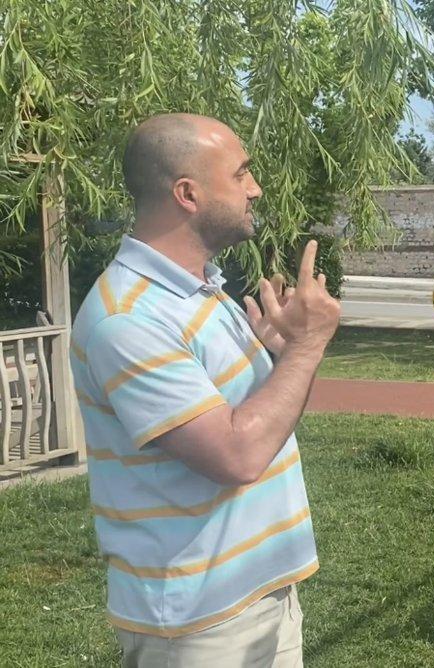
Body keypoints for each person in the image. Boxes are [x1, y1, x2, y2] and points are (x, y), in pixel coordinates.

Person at [70, 113, 341, 666]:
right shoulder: (128, 319)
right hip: (199, 626)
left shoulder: (199, 290)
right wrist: (309, 348)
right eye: (241, 174)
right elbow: (236, 454)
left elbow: (256, 422)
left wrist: (282, 356)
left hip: (257, 598)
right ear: (187, 193)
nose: (255, 188)